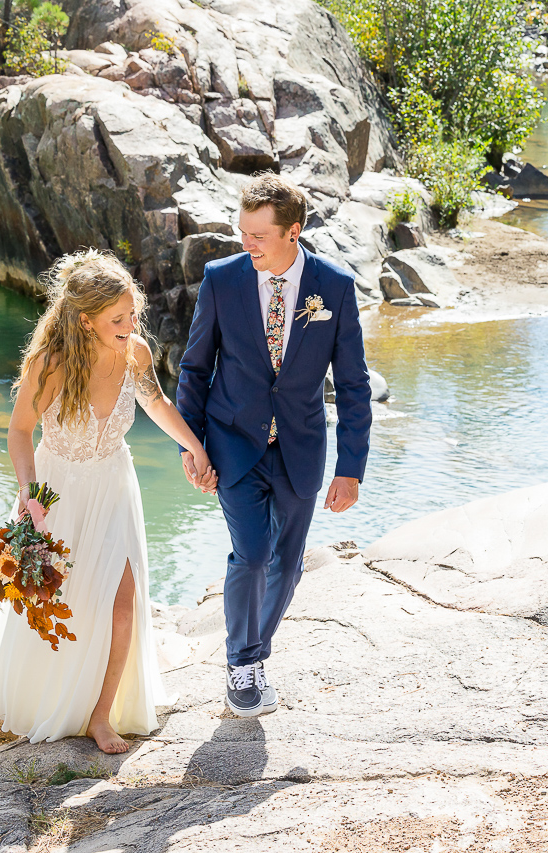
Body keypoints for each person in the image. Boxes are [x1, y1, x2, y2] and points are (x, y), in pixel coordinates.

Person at [0, 249, 217, 754]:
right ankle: (53, 697)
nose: (130, 326)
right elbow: (19, 431)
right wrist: (26, 490)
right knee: (64, 601)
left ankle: (102, 716)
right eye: (118, 319)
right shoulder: (52, 363)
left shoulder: (137, 355)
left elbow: (156, 403)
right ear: (86, 321)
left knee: (122, 597)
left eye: (132, 315)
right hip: (56, 490)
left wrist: (195, 448)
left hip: (113, 486)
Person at [177, 172, 371, 717]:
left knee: (288, 563)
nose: (247, 244)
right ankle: (242, 664)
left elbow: (353, 384)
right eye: (243, 232)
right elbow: (194, 370)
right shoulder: (222, 279)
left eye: (259, 235)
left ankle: (254, 654)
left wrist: (350, 468)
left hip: (301, 448)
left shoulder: (333, 287)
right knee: (253, 553)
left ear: (295, 230)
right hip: (232, 443)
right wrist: (191, 447)